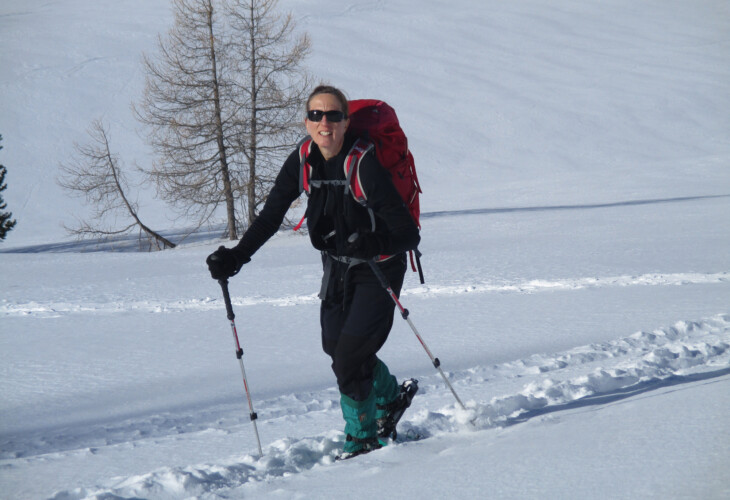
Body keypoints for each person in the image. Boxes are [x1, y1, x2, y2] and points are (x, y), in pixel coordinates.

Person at [207, 85, 420, 458]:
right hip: (336, 266)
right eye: (317, 115)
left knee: (350, 358)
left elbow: (406, 232)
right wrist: (237, 256)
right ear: (306, 122)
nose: (325, 123)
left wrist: (372, 244)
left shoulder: (364, 164)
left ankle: (362, 439)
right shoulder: (304, 159)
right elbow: (272, 215)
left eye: (334, 115)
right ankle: (388, 398)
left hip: (380, 266)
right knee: (336, 348)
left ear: (345, 121)